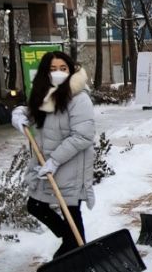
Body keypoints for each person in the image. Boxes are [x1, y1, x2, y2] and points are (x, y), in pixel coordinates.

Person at [11, 51, 95, 259]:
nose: (58, 73)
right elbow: (38, 116)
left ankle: (73, 257)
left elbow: (83, 136)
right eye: (53, 69)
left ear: (71, 70)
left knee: (72, 213)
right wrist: (21, 113)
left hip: (70, 165)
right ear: (45, 73)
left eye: (63, 69)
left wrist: (55, 161)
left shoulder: (79, 98)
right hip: (47, 164)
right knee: (36, 205)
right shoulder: (47, 95)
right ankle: (73, 244)